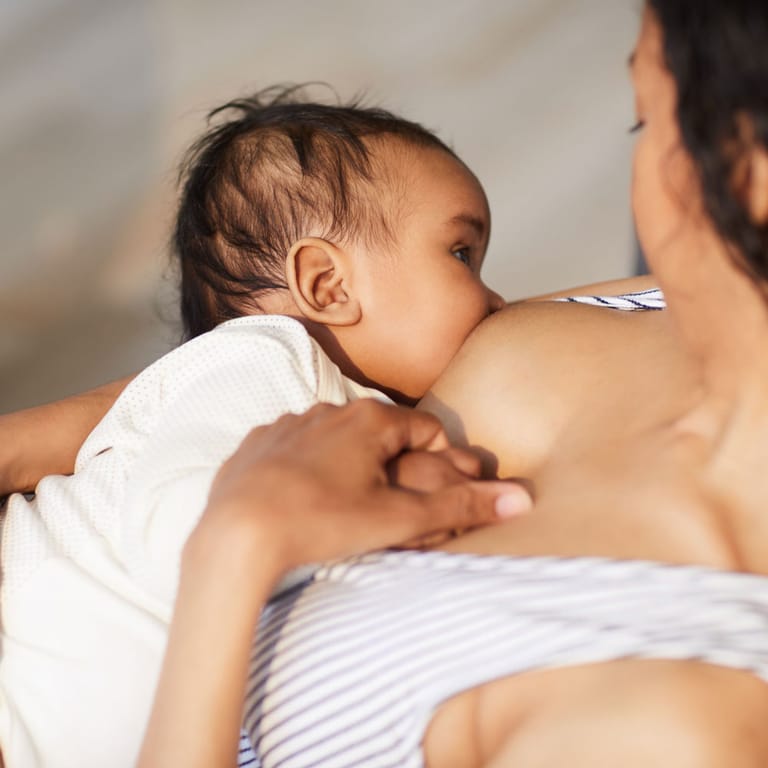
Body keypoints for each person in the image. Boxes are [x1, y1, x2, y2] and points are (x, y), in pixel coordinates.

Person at [7, 0, 768, 764]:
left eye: (646, 121)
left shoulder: (682, 715)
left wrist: (246, 545)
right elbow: (170, 480)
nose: (494, 299)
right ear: (327, 285)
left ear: (749, 176)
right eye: (461, 255)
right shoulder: (272, 364)